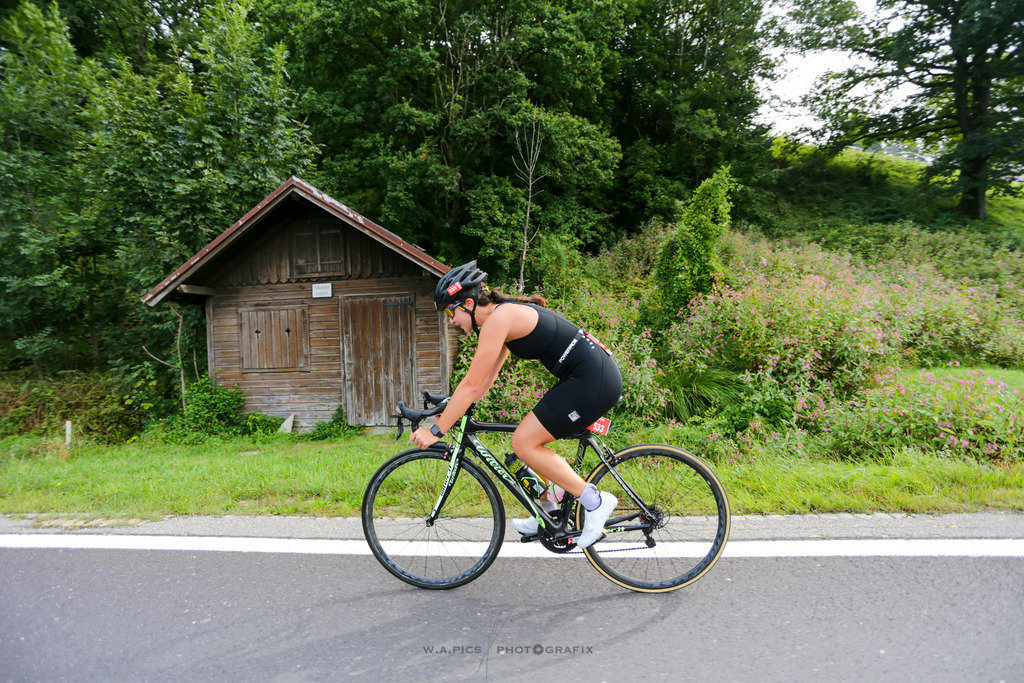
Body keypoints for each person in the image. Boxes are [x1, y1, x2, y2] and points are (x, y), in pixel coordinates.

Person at [410, 261, 623, 549]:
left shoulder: (499, 320)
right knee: (528, 440)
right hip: (587, 376)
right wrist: (450, 408)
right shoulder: (501, 317)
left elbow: (471, 384)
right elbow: (484, 381)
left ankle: (595, 502)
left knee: (524, 442)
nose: (451, 321)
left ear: (469, 304)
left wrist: (436, 431)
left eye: (451, 312)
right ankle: (549, 511)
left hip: (592, 380)